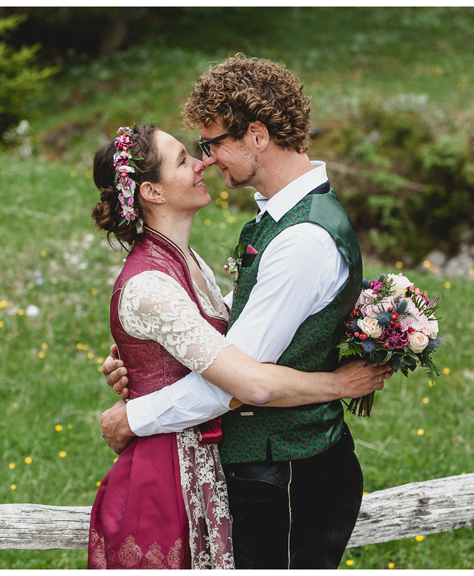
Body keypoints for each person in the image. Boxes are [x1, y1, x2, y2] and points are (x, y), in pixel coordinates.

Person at [99, 54, 373, 569]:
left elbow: (241, 381)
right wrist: (148, 363)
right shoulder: (280, 220)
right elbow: (230, 332)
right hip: (274, 469)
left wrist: (133, 417)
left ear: (257, 136)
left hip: (287, 474)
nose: (207, 160)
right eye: (195, 151)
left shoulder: (302, 240)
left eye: (212, 143)